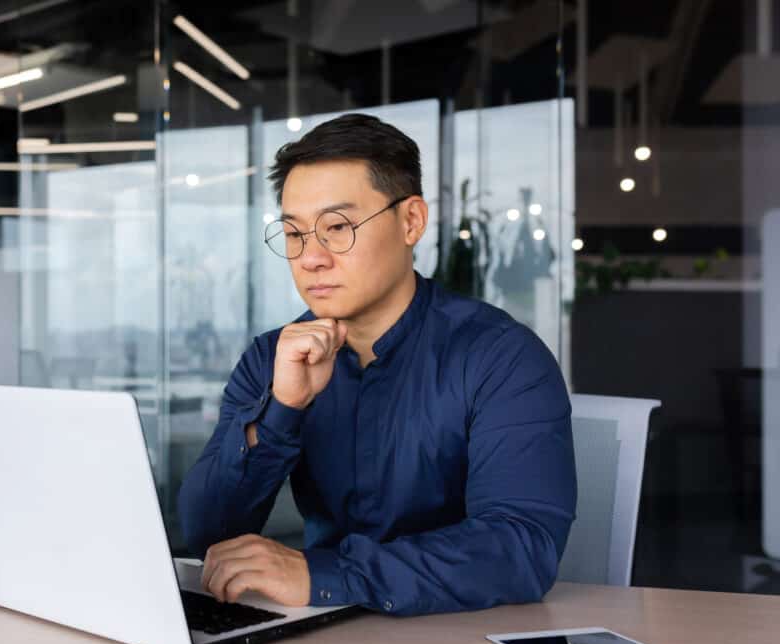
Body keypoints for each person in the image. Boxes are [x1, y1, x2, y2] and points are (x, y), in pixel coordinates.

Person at [177, 114, 577, 617]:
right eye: (294, 234)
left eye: (338, 227)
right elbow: (209, 538)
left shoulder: (501, 356)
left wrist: (323, 574)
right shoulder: (272, 357)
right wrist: (282, 408)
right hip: (322, 631)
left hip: (463, 637)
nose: (311, 258)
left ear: (410, 221)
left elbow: (521, 548)